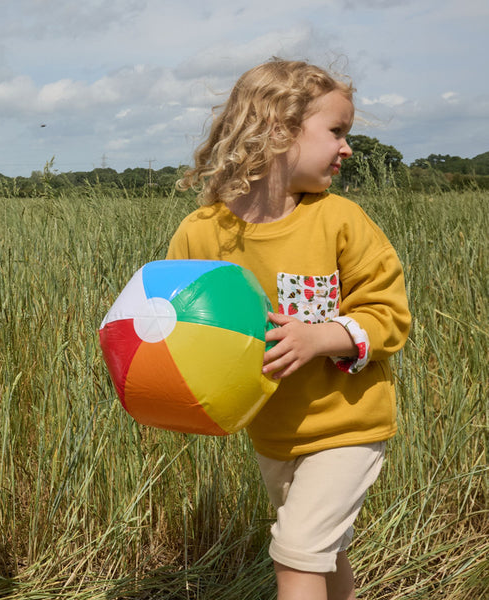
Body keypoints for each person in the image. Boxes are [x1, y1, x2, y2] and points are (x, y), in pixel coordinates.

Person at [166, 59, 411, 600]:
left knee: (296, 552)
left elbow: (389, 316)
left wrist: (318, 337)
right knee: (323, 555)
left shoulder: (341, 220)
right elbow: (179, 327)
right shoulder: (202, 233)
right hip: (272, 434)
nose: (347, 148)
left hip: (348, 426)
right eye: (336, 132)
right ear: (277, 130)